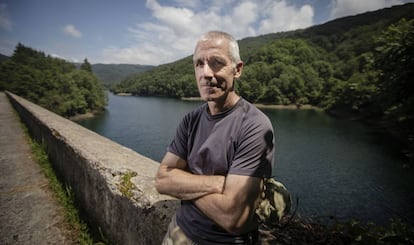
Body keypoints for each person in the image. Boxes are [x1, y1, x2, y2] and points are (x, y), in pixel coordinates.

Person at [155, 30, 275, 245]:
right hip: (178, 231)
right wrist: (218, 183)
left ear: (237, 70)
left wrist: (184, 181)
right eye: (199, 64)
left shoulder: (254, 125)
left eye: (216, 63)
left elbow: (233, 217)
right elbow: (163, 180)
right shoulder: (190, 120)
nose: (206, 73)